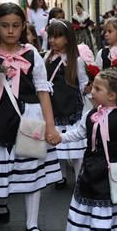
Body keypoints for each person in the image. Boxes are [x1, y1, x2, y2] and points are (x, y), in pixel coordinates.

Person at [0, 3, 62, 231]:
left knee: (31, 166)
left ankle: (31, 224)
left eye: (15, 26)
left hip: (29, 116)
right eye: (4, 26)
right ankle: (1, 203)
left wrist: (51, 127)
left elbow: (43, 91)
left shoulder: (32, 54)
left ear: (23, 27)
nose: (10, 31)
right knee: (1, 164)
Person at [56, 69, 117, 231]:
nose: (92, 91)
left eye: (97, 89)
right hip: (91, 166)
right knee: (92, 198)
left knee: (115, 201)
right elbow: (78, 133)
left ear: (112, 95)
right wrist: (60, 138)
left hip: (116, 168)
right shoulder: (90, 115)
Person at [45, 19, 88, 189]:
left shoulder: (76, 61)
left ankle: (79, 178)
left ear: (68, 39)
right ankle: (60, 176)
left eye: (58, 37)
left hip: (72, 109)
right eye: (51, 37)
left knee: (76, 148)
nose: (53, 41)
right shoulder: (47, 58)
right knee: (57, 148)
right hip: (54, 108)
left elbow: (84, 84)